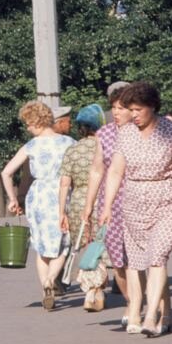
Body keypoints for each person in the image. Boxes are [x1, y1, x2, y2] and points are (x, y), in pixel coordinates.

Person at [100, 82, 172, 337]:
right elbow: (115, 170)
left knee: (157, 257)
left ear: (152, 107)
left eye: (138, 110)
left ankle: (151, 316)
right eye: (130, 110)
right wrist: (106, 206)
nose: (133, 115)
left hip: (168, 199)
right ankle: (165, 311)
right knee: (138, 262)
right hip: (134, 202)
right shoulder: (125, 134)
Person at [2, 101, 75, 310]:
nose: (27, 128)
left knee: (42, 246)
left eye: (28, 123)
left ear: (36, 121)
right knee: (63, 243)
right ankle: (52, 279)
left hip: (39, 196)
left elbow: (6, 172)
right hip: (62, 194)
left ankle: (45, 287)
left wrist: (13, 199)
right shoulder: (69, 142)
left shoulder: (31, 146)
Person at [83, 83, 133, 325]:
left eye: (122, 107)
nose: (116, 112)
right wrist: (89, 204)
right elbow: (96, 170)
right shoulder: (105, 134)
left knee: (142, 259)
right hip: (110, 205)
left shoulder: (143, 131)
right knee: (118, 260)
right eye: (113, 107)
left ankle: (154, 303)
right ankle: (131, 303)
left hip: (139, 200)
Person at [59, 104, 105, 311]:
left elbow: (65, 183)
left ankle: (89, 289)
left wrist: (62, 211)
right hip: (102, 199)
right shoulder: (105, 146)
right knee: (101, 246)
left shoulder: (72, 150)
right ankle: (96, 288)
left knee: (85, 246)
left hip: (78, 201)